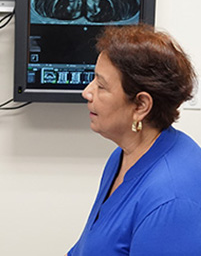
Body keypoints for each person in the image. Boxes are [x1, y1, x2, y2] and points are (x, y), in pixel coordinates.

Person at [68, 24, 201, 255]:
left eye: (101, 86)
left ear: (141, 105)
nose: (87, 92)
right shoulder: (123, 156)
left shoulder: (172, 199)